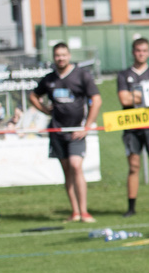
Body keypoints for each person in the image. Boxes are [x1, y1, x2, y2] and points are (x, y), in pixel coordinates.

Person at [31, 42, 101, 223]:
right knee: (67, 171)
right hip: (57, 131)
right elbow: (33, 96)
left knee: (76, 166)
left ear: (69, 55)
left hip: (76, 131)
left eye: (63, 55)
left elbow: (97, 100)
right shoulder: (49, 79)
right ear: (53, 57)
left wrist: (86, 126)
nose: (60, 58)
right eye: (57, 55)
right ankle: (75, 212)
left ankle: (84, 211)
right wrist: (45, 110)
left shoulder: (82, 75)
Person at [116, 38, 149, 217]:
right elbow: (124, 99)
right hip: (132, 126)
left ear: (148, 53)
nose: (141, 53)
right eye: (138, 50)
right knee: (133, 166)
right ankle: (131, 207)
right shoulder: (124, 75)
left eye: (144, 50)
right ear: (133, 52)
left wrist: (137, 95)